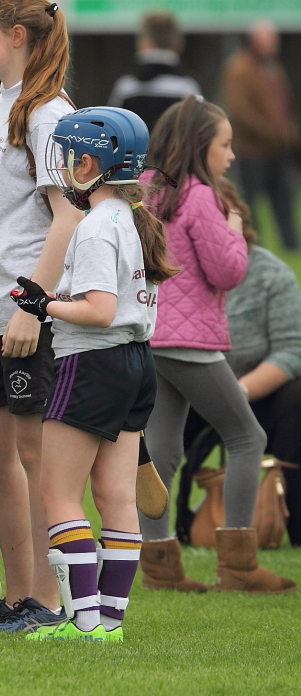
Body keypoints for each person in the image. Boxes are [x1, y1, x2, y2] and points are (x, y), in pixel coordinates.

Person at [8, 106, 174, 642]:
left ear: (88, 163)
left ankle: (80, 622)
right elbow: (119, 304)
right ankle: (108, 625)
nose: (61, 167)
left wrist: (41, 306)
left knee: (58, 493)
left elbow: (99, 309)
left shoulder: (97, 226)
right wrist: (59, 298)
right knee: (116, 499)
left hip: (93, 363)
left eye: (65, 157)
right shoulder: (129, 219)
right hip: (134, 364)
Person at [0, 0, 83, 632]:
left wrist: (31, 306)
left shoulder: (47, 115)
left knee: (36, 457)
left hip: (26, 321)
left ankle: (52, 603)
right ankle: (24, 594)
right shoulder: (6, 99)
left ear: (17, 37)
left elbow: (68, 218)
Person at [138, 95, 295, 592]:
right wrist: (231, 231)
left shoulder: (145, 189)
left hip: (149, 335)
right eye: (225, 146)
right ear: (201, 145)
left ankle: (159, 566)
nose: (231, 156)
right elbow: (227, 272)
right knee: (248, 438)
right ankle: (238, 565)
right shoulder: (200, 196)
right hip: (191, 341)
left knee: (161, 449)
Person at [186, 221, 301, 547]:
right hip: (189, 384)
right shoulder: (176, 267)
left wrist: (237, 392)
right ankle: (154, 533)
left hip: (256, 390)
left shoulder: (271, 274)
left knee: (298, 400)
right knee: (152, 412)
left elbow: (292, 349)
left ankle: (291, 523)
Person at [222, 21, 300, 251]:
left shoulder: (273, 67)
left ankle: (291, 247)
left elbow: (285, 105)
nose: (272, 46)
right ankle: (254, 248)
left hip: (278, 150)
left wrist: (289, 133)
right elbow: (240, 111)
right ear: (252, 41)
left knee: (285, 203)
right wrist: (274, 133)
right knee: (250, 205)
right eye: (267, 41)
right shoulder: (238, 68)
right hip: (251, 151)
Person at [107, 11, 202, 130]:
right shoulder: (188, 87)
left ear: (144, 43)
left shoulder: (126, 86)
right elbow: (199, 131)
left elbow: (113, 129)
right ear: (179, 44)